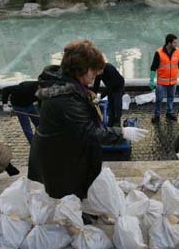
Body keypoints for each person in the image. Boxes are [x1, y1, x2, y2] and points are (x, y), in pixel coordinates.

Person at [28, 40, 148, 200]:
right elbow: (89, 133)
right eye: (93, 72)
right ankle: (75, 217)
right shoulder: (65, 99)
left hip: (62, 152)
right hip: (60, 159)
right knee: (69, 195)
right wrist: (123, 132)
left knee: (73, 191)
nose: (95, 76)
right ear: (81, 70)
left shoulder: (62, 85)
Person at [149, 33, 179, 124]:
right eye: (174, 43)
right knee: (159, 99)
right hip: (161, 82)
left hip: (173, 81)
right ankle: (157, 115)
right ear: (169, 43)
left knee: (171, 98)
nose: (176, 44)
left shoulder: (178, 51)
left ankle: (169, 113)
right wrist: (151, 80)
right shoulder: (159, 52)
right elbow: (153, 67)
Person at [92, 63, 125, 127]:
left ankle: (117, 123)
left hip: (118, 86)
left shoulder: (110, 69)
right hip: (109, 87)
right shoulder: (98, 71)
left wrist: (100, 97)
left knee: (117, 105)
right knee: (110, 105)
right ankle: (110, 122)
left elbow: (110, 86)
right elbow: (96, 84)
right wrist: (93, 94)